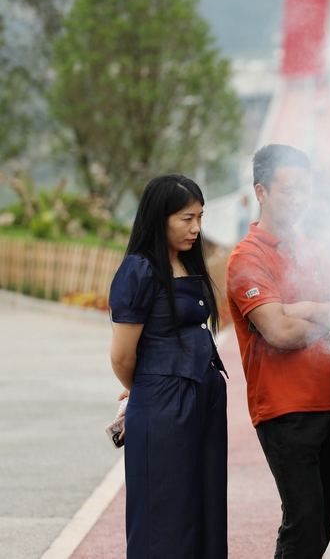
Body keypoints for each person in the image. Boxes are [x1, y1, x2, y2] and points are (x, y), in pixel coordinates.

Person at [226, 144, 330, 558]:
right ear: (261, 191)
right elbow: (278, 330)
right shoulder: (247, 258)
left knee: (322, 521)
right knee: (303, 518)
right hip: (284, 408)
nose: (298, 200)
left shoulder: (313, 249)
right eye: (288, 191)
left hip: (329, 399)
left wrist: (311, 309)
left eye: (305, 191)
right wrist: (327, 318)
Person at [108, 174, 227, 559]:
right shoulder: (139, 270)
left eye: (200, 217)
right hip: (164, 406)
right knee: (165, 515)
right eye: (185, 218)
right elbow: (122, 356)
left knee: (204, 505)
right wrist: (143, 388)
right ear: (160, 218)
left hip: (205, 400)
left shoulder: (188, 263)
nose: (196, 227)